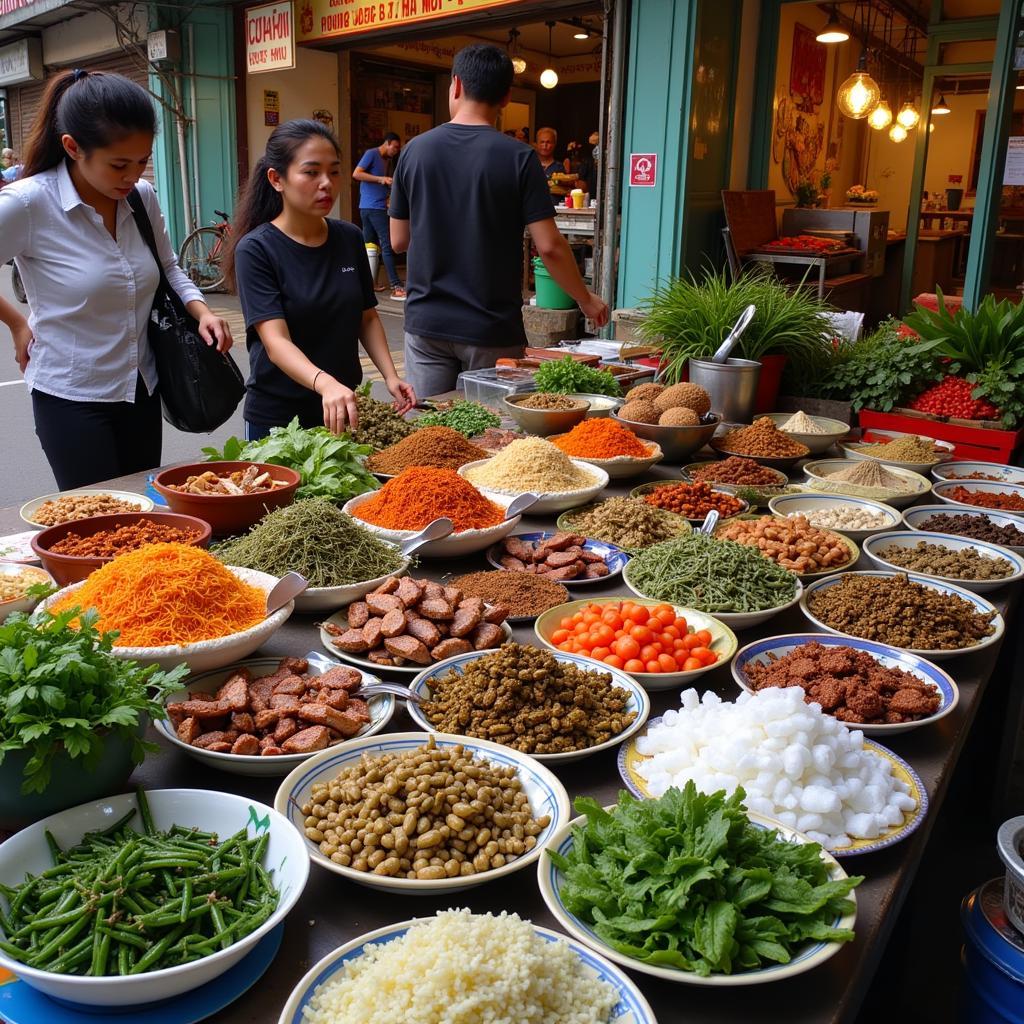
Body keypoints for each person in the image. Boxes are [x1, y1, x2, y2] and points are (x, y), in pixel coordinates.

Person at [0, 69, 232, 490]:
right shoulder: (29, 204)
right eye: (119, 164)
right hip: (71, 396)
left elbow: (168, 266)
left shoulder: (141, 198)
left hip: (140, 389)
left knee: (140, 516)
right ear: (72, 147)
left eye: (142, 161)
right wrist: (17, 322)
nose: (133, 176)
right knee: (96, 523)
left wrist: (201, 311)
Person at [389, 44, 608, 398]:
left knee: (428, 436)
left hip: (427, 324)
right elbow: (550, 246)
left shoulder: (415, 150)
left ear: (456, 85)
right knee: (493, 437)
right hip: (490, 328)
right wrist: (585, 299)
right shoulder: (520, 157)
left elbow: (398, 240)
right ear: (506, 97)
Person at [225, 119, 415, 440]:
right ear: (276, 179)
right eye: (311, 172)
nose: (326, 183)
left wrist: (391, 375)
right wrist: (325, 383)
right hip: (279, 419)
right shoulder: (257, 249)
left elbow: (366, 317)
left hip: (345, 410)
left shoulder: (349, 237)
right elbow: (276, 342)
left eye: (334, 171)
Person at [353, 131, 405, 300]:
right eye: (395, 147)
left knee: (370, 247)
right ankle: (396, 286)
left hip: (368, 207)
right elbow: (357, 174)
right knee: (387, 245)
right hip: (374, 209)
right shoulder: (372, 154)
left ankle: (369, 284)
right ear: (387, 143)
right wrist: (381, 179)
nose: (396, 151)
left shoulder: (387, 160)